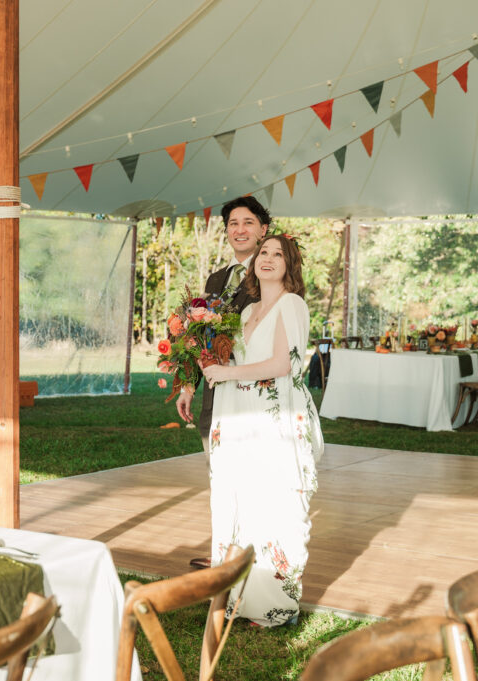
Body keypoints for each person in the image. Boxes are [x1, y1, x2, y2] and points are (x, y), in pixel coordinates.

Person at [201, 233, 324, 627]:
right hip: (242, 419)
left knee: (276, 504)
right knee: (241, 501)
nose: (268, 259)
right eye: (263, 253)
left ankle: (276, 605)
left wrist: (227, 372)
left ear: (290, 265)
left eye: (278, 254)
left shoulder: (292, 304)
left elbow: (282, 365)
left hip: (276, 419)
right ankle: (238, 595)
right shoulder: (245, 311)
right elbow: (234, 360)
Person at [177, 196, 268, 570]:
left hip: (251, 392)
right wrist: (188, 385)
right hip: (215, 394)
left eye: (248, 222)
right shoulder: (217, 278)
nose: (240, 230)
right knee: (221, 473)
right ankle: (224, 552)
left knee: (251, 474)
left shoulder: (271, 272)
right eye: (233, 223)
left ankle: (256, 555)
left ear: (263, 230)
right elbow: (199, 334)